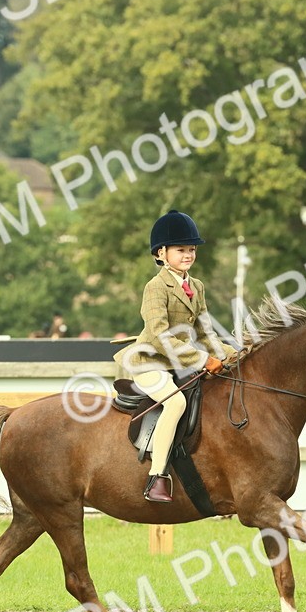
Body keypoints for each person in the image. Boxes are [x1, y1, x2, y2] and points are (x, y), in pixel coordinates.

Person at [113, 210, 235, 503]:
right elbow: (159, 335)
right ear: (161, 253)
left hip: (180, 364)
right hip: (150, 362)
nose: (188, 254)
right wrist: (203, 360)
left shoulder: (197, 287)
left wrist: (235, 354)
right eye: (181, 249)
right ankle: (157, 476)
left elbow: (206, 333)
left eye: (191, 249)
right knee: (176, 401)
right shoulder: (155, 287)